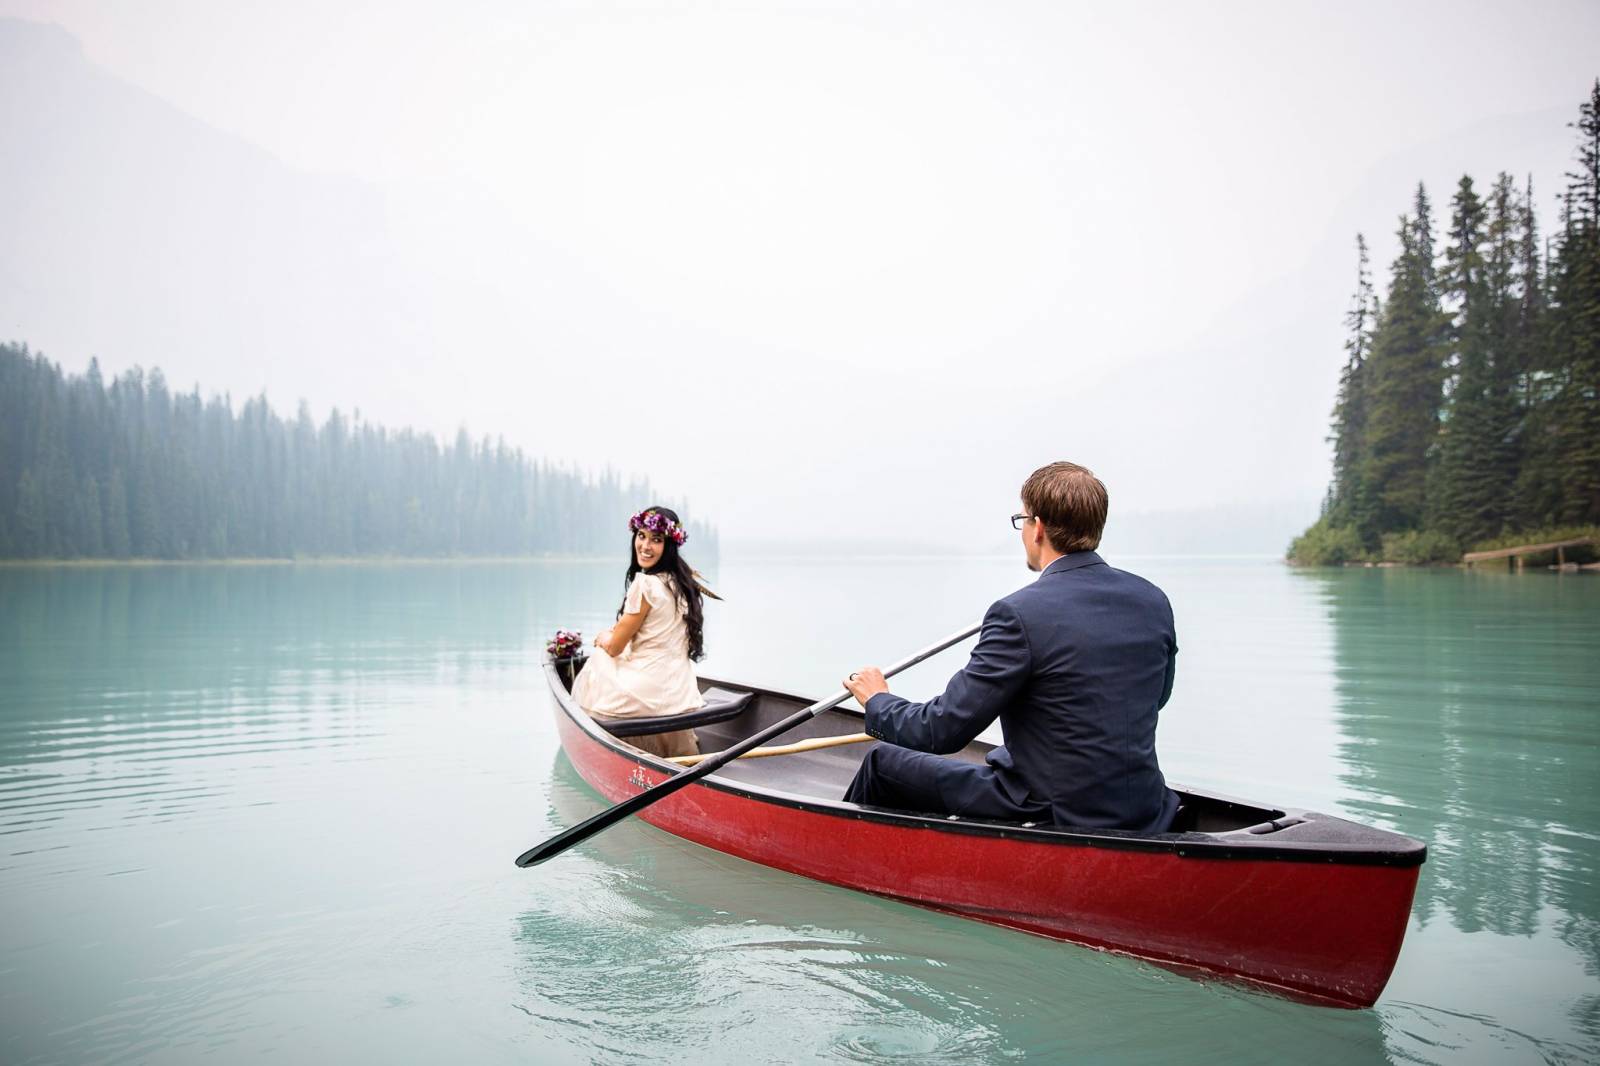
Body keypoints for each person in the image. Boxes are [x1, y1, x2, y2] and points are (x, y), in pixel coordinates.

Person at [840, 462, 1180, 834]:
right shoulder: (1152, 600)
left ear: (1039, 528)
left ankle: (836, 857)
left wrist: (878, 701)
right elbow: (1155, 698)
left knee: (881, 763)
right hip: (1145, 805)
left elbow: (940, 732)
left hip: (1053, 811)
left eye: (1021, 520)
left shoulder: (1017, 614)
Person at [572, 506, 708, 759]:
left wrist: (602, 637)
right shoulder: (682, 581)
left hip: (650, 691)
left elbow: (614, 647)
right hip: (681, 690)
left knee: (600, 660)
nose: (645, 546)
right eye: (641, 536)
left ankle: (614, 748)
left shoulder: (645, 584)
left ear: (669, 545)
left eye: (656, 540)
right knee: (626, 661)